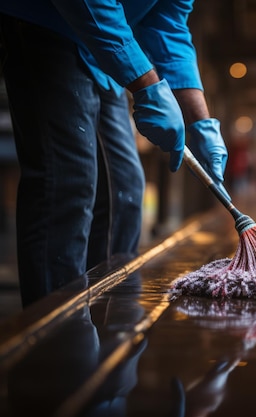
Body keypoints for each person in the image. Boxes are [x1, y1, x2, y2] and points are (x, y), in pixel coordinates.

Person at [0, 0, 228, 307]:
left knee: (125, 190)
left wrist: (201, 121)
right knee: (69, 182)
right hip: (49, 23)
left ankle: (110, 326)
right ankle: (57, 339)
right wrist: (146, 84)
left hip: (102, 51)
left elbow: (168, 24)